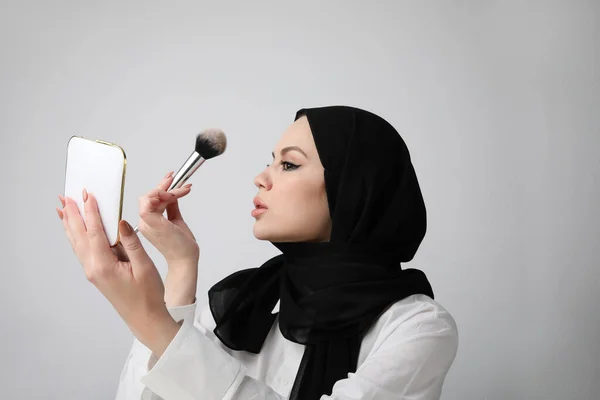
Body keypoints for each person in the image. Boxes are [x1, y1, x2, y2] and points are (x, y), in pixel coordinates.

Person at [57, 106, 458, 400]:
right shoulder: (241, 305)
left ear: (353, 188)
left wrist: (148, 320)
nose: (261, 178)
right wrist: (180, 271)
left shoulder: (417, 327)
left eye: (288, 164)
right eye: (271, 162)